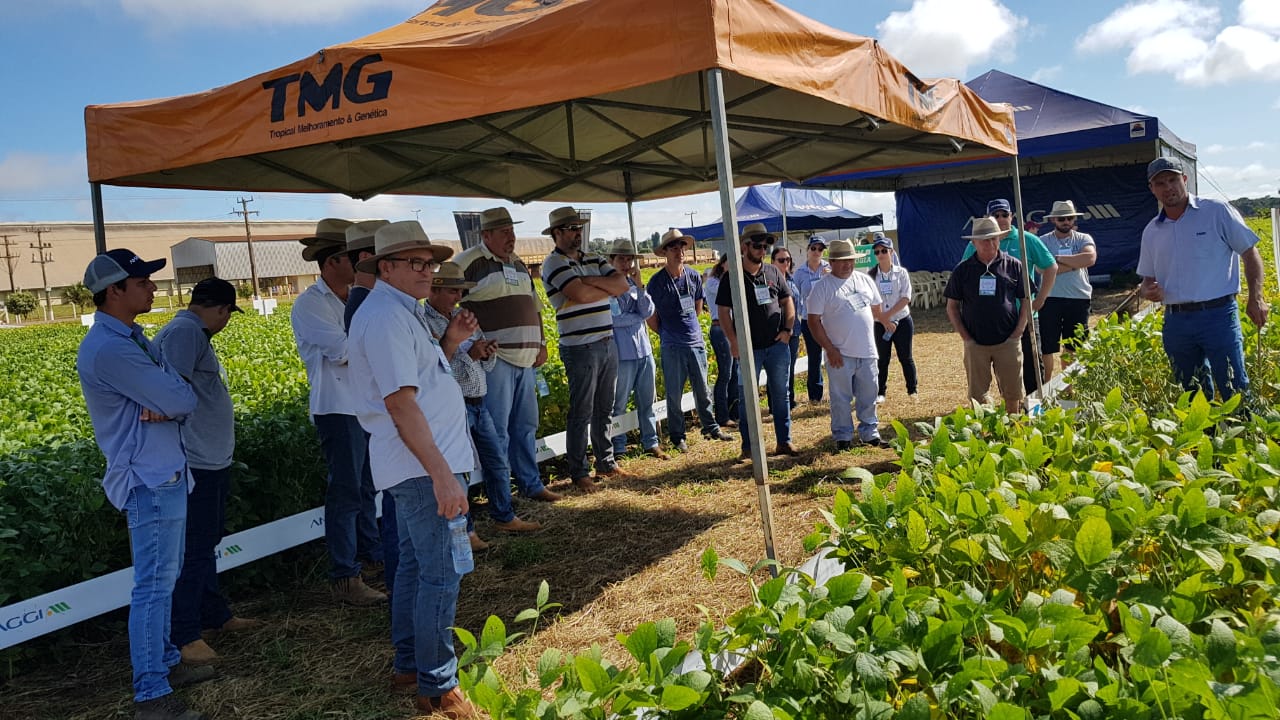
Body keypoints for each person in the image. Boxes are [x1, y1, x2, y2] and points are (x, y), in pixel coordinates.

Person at [347, 221, 480, 719]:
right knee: (441, 574)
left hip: (421, 465)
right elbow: (401, 405)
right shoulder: (385, 317)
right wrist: (443, 475)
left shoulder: (402, 313)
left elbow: (421, 382)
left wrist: (448, 343)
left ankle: (411, 663)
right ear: (386, 268)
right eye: (416, 264)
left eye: (430, 263)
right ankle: (438, 687)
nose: (429, 272)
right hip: (423, 469)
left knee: (417, 568)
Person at [77, 249, 213, 720]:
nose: (152, 287)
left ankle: (166, 661)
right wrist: (170, 398)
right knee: (153, 586)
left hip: (164, 472)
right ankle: (151, 693)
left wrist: (170, 398)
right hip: (149, 478)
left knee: (163, 578)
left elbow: (179, 393)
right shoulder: (111, 348)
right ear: (114, 291)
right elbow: (179, 395)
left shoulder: (132, 339)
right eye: (142, 281)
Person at [153, 278, 259, 667]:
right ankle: (185, 634)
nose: (226, 321)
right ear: (221, 310)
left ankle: (215, 614)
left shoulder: (187, 332)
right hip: (195, 458)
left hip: (209, 456)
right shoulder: (185, 333)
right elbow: (172, 394)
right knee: (195, 547)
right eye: (228, 314)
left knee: (206, 541)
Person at [290, 219, 385, 606]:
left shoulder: (353, 298)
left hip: (362, 406)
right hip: (338, 409)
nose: (364, 264)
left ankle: (371, 554)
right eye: (355, 258)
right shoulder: (311, 304)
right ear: (332, 262)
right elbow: (346, 352)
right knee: (346, 491)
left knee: (366, 486)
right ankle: (345, 575)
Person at [424, 262, 542, 539]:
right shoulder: (425, 322)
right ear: (435, 290)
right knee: (460, 469)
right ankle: (466, 530)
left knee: (496, 460)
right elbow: (435, 369)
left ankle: (504, 515)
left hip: (478, 401)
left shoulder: (463, 317)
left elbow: (481, 364)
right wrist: (472, 355)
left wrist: (487, 354)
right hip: (454, 406)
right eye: (453, 291)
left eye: (459, 291)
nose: (457, 297)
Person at [454, 208, 562, 504]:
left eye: (512, 231)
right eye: (504, 232)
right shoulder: (468, 262)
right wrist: (468, 345)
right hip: (495, 360)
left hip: (526, 361)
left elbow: (534, 306)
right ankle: (500, 493)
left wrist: (540, 342)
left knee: (525, 425)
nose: (511, 237)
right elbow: (446, 301)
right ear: (485, 235)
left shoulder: (517, 263)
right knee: (497, 431)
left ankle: (530, 483)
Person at [1138, 156, 1269, 399]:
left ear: (1185, 179)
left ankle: (1245, 433)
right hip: (1176, 321)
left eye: (1173, 180)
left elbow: (1250, 253)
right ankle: (1205, 436)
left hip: (1218, 316)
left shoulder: (1216, 212)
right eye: (1160, 183)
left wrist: (1257, 298)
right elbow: (1146, 280)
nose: (1168, 188)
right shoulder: (1152, 231)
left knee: (1234, 386)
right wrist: (1148, 290)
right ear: (1152, 189)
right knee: (1191, 392)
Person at [541, 206, 630, 492]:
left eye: (579, 228)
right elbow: (578, 294)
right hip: (579, 347)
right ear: (557, 233)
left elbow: (622, 284)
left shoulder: (594, 257)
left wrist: (587, 282)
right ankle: (579, 472)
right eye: (571, 229)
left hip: (606, 341)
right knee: (582, 410)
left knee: (604, 407)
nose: (578, 233)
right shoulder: (553, 263)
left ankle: (605, 462)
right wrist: (601, 286)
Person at [340, 220, 399, 599]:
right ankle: (400, 584)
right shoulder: (373, 308)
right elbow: (397, 387)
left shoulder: (366, 304)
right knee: (395, 507)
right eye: (397, 260)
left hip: (389, 424)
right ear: (369, 259)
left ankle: (399, 581)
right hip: (393, 427)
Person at [716, 222, 798, 457]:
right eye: (757, 245)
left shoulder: (773, 272)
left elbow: (787, 301)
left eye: (765, 246)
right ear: (744, 246)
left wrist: (787, 329)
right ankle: (749, 448)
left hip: (777, 346)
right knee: (746, 400)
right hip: (748, 349)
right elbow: (723, 311)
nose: (762, 250)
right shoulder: (732, 276)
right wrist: (734, 341)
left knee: (781, 395)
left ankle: (784, 441)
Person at [647, 229, 733, 453]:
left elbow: (697, 308)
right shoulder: (656, 282)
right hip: (672, 345)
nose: (679, 252)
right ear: (665, 252)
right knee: (674, 394)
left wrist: (690, 332)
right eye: (674, 248)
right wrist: (667, 334)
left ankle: (710, 427)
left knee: (703, 389)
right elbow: (651, 318)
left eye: (682, 247)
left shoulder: (694, 276)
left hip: (695, 342)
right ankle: (677, 436)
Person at [962, 198, 1057, 394]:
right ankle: (1011, 409)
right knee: (1002, 367)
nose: (1001, 219)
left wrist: (1040, 299)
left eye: (1004, 214)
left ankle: (1036, 410)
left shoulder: (1027, 239)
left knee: (1032, 366)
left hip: (1026, 316)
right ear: (988, 218)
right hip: (994, 319)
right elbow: (964, 274)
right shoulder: (975, 244)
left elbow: (1051, 266)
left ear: (1012, 216)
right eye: (995, 215)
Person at [805, 239, 889, 450]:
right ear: (831, 262)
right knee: (841, 397)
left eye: (850, 260)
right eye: (842, 261)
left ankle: (870, 432)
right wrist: (830, 349)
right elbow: (813, 321)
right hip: (839, 352)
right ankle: (843, 435)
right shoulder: (822, 287)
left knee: (869, 393)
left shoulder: (865, 280)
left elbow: (876, 307)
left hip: (867, 349)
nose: (847, 264)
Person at [944, 217, 1030, 411]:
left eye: (994, 238)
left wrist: (1018, 332)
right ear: (973, 242)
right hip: (976, 344)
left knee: (1013, 394)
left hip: (1008, 341)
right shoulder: (963, 270)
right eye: (984, 239)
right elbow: (952, 307)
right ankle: (985, 436)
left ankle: (1013, 431)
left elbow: (1026, 300)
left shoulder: (1014, 265)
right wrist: (966, 338)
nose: (990, 243)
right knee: (978, 398)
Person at [606, 239, 668, 460]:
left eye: (629, 259)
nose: (626, 263)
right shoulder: (605, 287)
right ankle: (619, 448)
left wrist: (641, 288)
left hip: (644, 351)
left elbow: (648, 310)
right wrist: (637, 316)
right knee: (619, 403)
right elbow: (613, 319)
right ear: (610, 261)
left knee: (647, 401)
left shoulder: (634, 285)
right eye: (621, 259)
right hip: (621, 355)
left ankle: (651, 443)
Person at [1037, 201, 1097, 380]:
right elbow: (1040, 268)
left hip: (1078, 298)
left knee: (1073, 346)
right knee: (1047, 346)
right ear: (1054, 219)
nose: (1066, 222)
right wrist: (1074, 264)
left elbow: (1090, 258)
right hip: (1050, 298)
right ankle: (1047, 386)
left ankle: (1069, 388)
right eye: (1062, 218)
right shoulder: (1043, 240)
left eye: (1070, 218)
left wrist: (1055, 261)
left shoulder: (1084, 238)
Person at [868, 233, 918, 402]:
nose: (880, 255)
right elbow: (870, 301)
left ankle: (912, 390)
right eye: (877, 252)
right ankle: (880, 392)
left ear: (891, 252)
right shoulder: (872, 275)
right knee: (882, 359)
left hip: (902, 321)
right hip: (880, 323)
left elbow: (906, 298)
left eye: (883, 251)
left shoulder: (901, 273)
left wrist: (888, 317)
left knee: (906, 357)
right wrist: (884, 320)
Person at [792, 236, 830, 403]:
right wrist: (803, 313)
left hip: (829, 318)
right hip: (810, 320)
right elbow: (794, 296)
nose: (816, 252)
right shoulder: (800, 273)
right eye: (813, 248)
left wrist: (831, 277)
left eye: (820, 249)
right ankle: (815, 395)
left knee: (835, 352)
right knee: (814, 357)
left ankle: (839, 390)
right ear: (807, 250)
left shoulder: (829, 268)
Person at [703, 255, 739, 429]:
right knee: (725, 373)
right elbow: (731, 296)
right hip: (720, 328)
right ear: (723, 263)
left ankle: (734, 412)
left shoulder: (723, 280)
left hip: (731, 327)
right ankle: (722, 416)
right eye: (730, 262)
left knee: (734, 372)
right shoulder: (713, 282)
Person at [771, 245, 802, 410]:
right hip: (778, 332)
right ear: (772, 262)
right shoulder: (770, 282)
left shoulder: (791, 280)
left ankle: (790, 400)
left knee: (790, 367)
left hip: (794, 330)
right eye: (781, 260)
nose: (785, 263)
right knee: (777, 370)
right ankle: (774, 403)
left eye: (788, 260)